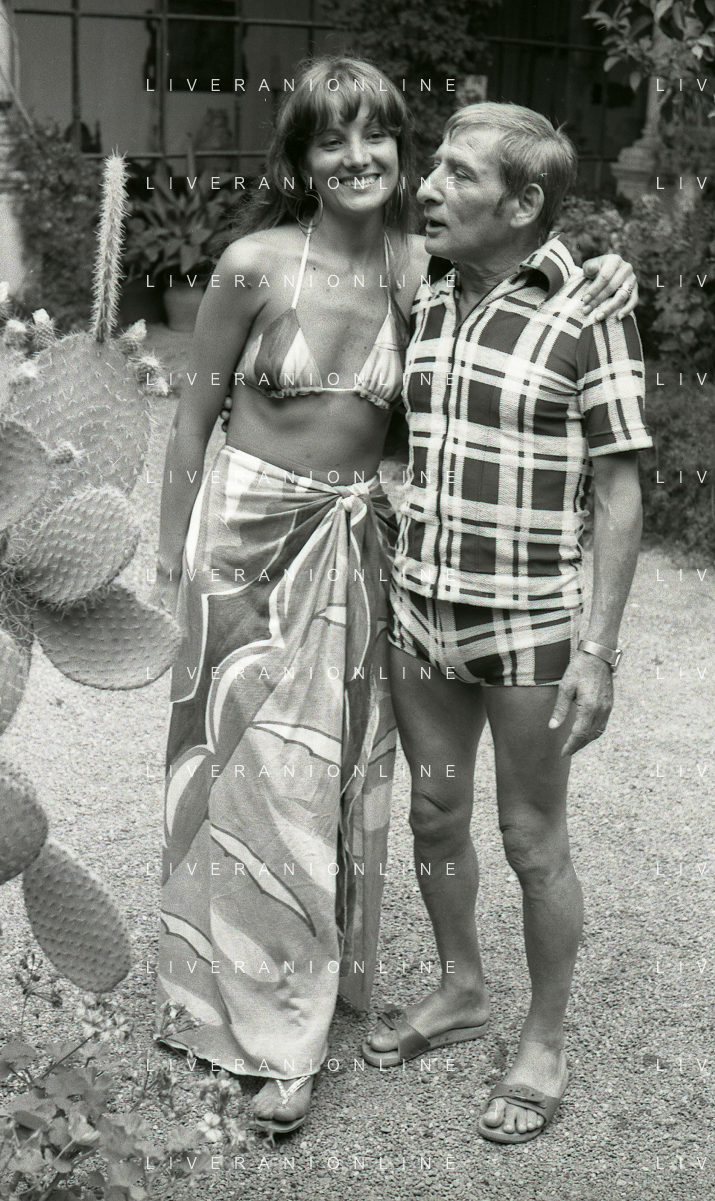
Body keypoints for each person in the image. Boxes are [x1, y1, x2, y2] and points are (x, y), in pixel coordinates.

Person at [150, 57, 638, 1137]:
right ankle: (234, 1010)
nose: (358, 156)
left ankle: (294, 1013)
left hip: (360, 554)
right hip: (242, 549)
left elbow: (532, 262)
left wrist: (612, 272)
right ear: (300, 158)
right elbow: (191, 419)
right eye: (330, 139)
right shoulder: (250, 266)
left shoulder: (426, 272)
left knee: (323, 789)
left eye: (376, 135)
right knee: (237, 782)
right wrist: (171, 563)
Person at [362, 102, 652, 1146]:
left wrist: (597, 650)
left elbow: (619, 489)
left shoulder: (588, 310)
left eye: (458, 173)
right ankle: (459, 987)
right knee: (435, 813)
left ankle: (543, 1038)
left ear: (523, 202)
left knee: (531, 838)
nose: (428, 186)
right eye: (432, 165)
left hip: (528, 628)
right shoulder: (429, 292)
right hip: (420, 615)